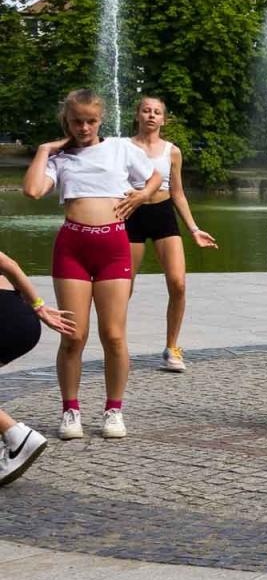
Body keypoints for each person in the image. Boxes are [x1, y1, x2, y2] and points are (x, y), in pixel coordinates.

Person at [22, 89, 162, 440]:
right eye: (76, 121)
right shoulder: (60, 157)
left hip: (113, 248)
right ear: (66, 121)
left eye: (91, 121)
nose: (84, 127)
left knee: (113, 335)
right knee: (73, 336)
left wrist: (142, 196)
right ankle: (70, 410)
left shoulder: (120, 148)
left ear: (101, 120)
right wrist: (44, 150)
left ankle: (114, 410)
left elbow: (154, 178)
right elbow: (33, 190)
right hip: (73, 248)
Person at [124, 96, 218, 373]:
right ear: (137, 115)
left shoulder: (172, 151)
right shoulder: (124, 147)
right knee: (123, 287)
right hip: (131, 214)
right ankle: (117, 346)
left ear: (164, 120)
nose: (151, 115)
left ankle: (171, 347)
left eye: (157, 112)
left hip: (163, 214)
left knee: (178, 283)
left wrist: (194, 229)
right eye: (146, 110)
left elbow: (178, 193)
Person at [0, 251, 75, 486]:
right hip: (18, 313)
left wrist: (39, 306)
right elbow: (9, 264)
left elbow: (5, 262)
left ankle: (18, 436)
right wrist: (37, 306)